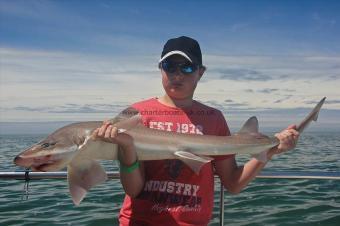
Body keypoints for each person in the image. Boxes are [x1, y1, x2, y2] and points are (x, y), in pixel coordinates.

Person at [92, 36, 299, 226]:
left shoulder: (214, 118)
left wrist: (270, 151)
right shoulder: (134, 113)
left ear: (201, 72)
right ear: (160, 68)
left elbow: (233, 183)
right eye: (169, 66)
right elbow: (133, 190)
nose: (177, 74)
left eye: (187, 68)